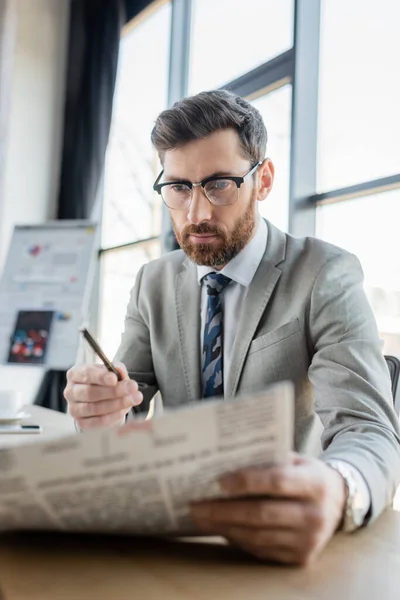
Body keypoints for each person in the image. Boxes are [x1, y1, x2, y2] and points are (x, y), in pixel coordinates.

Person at [64, 90, 400, 565]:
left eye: (219, 184)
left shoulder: (326, 273)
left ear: (262, 180)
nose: (196, 213)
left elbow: (368, 428)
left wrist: (336, 487)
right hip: (174, 533)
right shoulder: (151, 283)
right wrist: (102, 413)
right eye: (178, 188)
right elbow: (128, 402)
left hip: (282, 536)